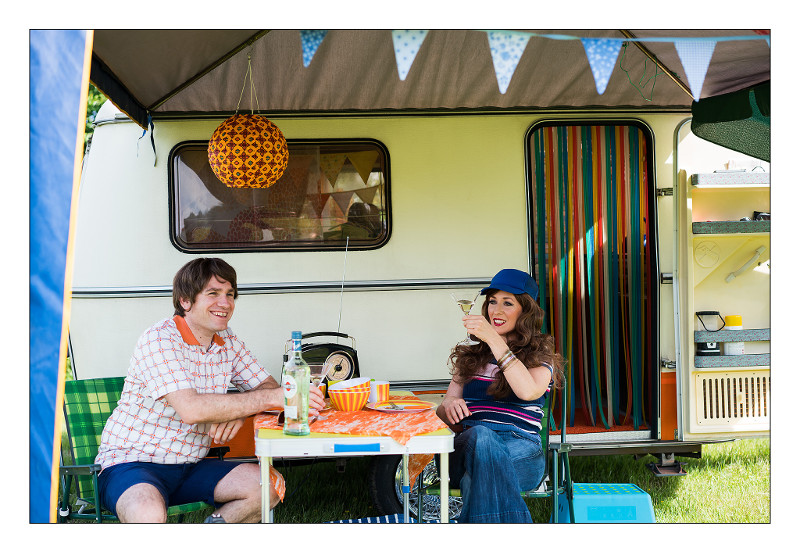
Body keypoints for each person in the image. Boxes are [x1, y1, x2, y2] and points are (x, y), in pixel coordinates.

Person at [95, 257, 326, 522]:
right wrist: (269, 399)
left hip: (191, 465)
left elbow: (268, 386)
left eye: (230, 294)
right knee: (147, 513)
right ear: (185, 301)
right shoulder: (159, 338)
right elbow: (192, 409)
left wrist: (238, 413)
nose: (225, 303)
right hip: (133, 464)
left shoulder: (227, 340)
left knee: (268, 487)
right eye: (213, 294)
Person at [436, 269, 565, 523]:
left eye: (508, 303)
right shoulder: (470, 357)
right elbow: (443, 412)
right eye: (492, 301)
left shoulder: (541, 357)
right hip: (468, 444)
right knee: (483, 436)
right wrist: (450, 404)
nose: (496, 310)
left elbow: (528, 391)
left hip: (521, 449)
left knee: (476, 479)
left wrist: (495, 341)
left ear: (526, 311)